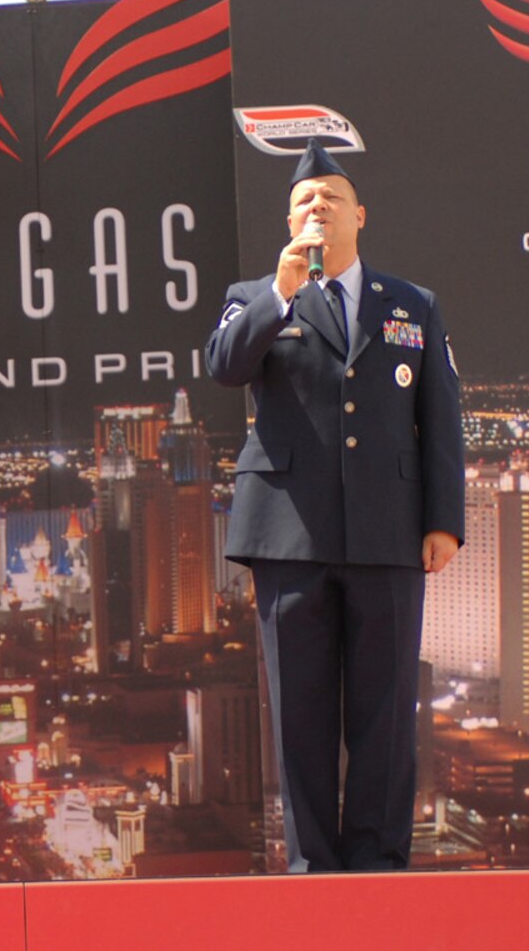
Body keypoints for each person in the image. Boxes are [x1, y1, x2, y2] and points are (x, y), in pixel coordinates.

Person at [205, 139, 464, 872]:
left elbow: (440, 414)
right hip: (290, 535)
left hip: (388, 533)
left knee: (385, 715)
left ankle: (379, 863)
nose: (316, 207)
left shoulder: (413, 305)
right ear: (289, 222)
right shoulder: (251, 298)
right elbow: (224, 365)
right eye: (302, 201)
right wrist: (279, 294)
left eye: (329, 198)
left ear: (361, 215)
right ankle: (312, 867)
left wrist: (443, 520)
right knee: (301, 715)